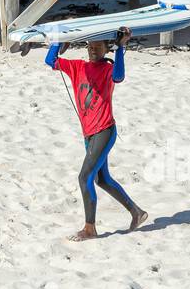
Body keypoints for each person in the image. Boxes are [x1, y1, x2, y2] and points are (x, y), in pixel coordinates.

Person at [45, 31, 148, 241]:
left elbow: (119, 76)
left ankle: (90, 228)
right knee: (102, 179)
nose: (93, 50)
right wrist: (57, 39)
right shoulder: (77, 67)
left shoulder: (108, 69)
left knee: (84, 177)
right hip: (89, 134)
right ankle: (137, 213)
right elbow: (50, 60)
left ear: (106, 49)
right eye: (90, 46)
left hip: (104, 130)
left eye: (98, 46)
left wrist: (121, 49)